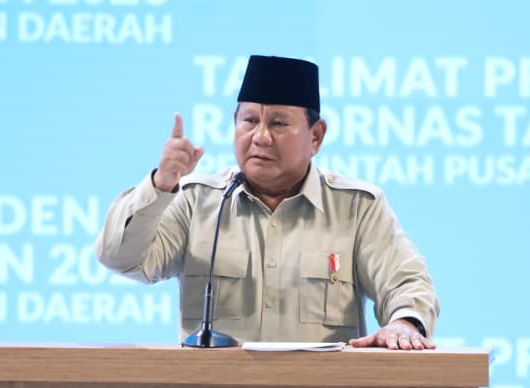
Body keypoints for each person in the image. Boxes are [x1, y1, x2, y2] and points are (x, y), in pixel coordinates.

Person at [94, 54, 439, 350]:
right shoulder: (196, 200)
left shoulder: (356, 207)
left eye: (278, 123)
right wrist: (161, 184)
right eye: (249, 121)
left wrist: (405, 324)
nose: (260, 137)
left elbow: (407, 283)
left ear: (316, 136)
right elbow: (120, 258)